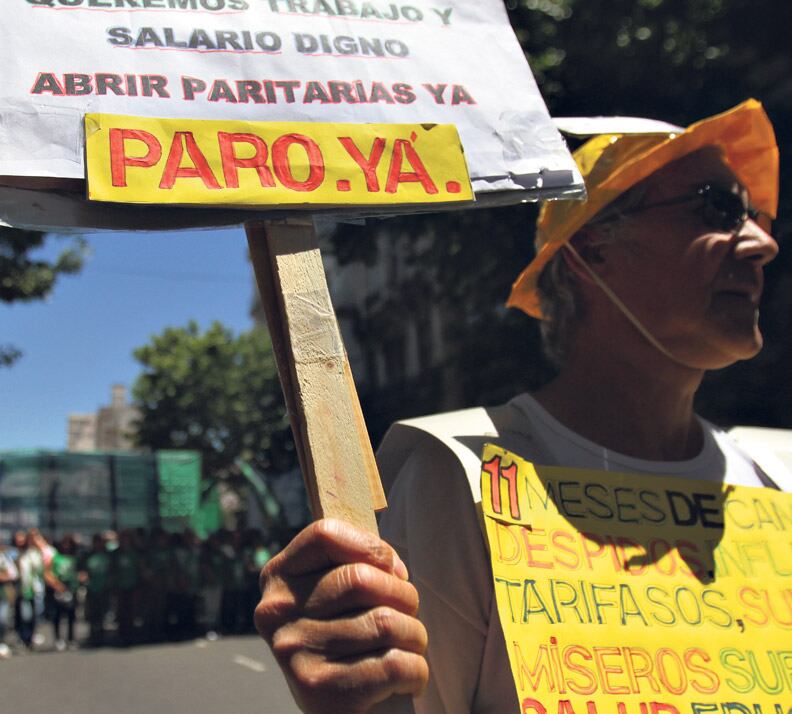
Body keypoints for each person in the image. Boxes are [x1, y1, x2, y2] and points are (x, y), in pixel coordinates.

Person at [254, 100, 788, 713]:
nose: (762, 243)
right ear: (592, 249)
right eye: (716, 208)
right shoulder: (461, 477)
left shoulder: (779, 476)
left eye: (754, 214)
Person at [45, 533, 79, 651]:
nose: (66, 546)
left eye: (69, 544)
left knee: (71, 614)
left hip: (71, 588)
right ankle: (58, 639)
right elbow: (48, 572)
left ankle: (71, 638)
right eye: (64, 544)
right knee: (57, 615)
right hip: (58, 587)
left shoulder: (75, 558)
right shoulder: (56, 558)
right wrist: (56, 584)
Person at [80, 532, 112, 645]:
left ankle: (102, 634)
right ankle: (93, 635)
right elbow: (82, 570)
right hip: (92, 588)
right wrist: (84, 578)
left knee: (103, 612)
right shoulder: (87, 556)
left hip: (104, 588)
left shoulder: (108, 555)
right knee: (92, 613)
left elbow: (112, 571)